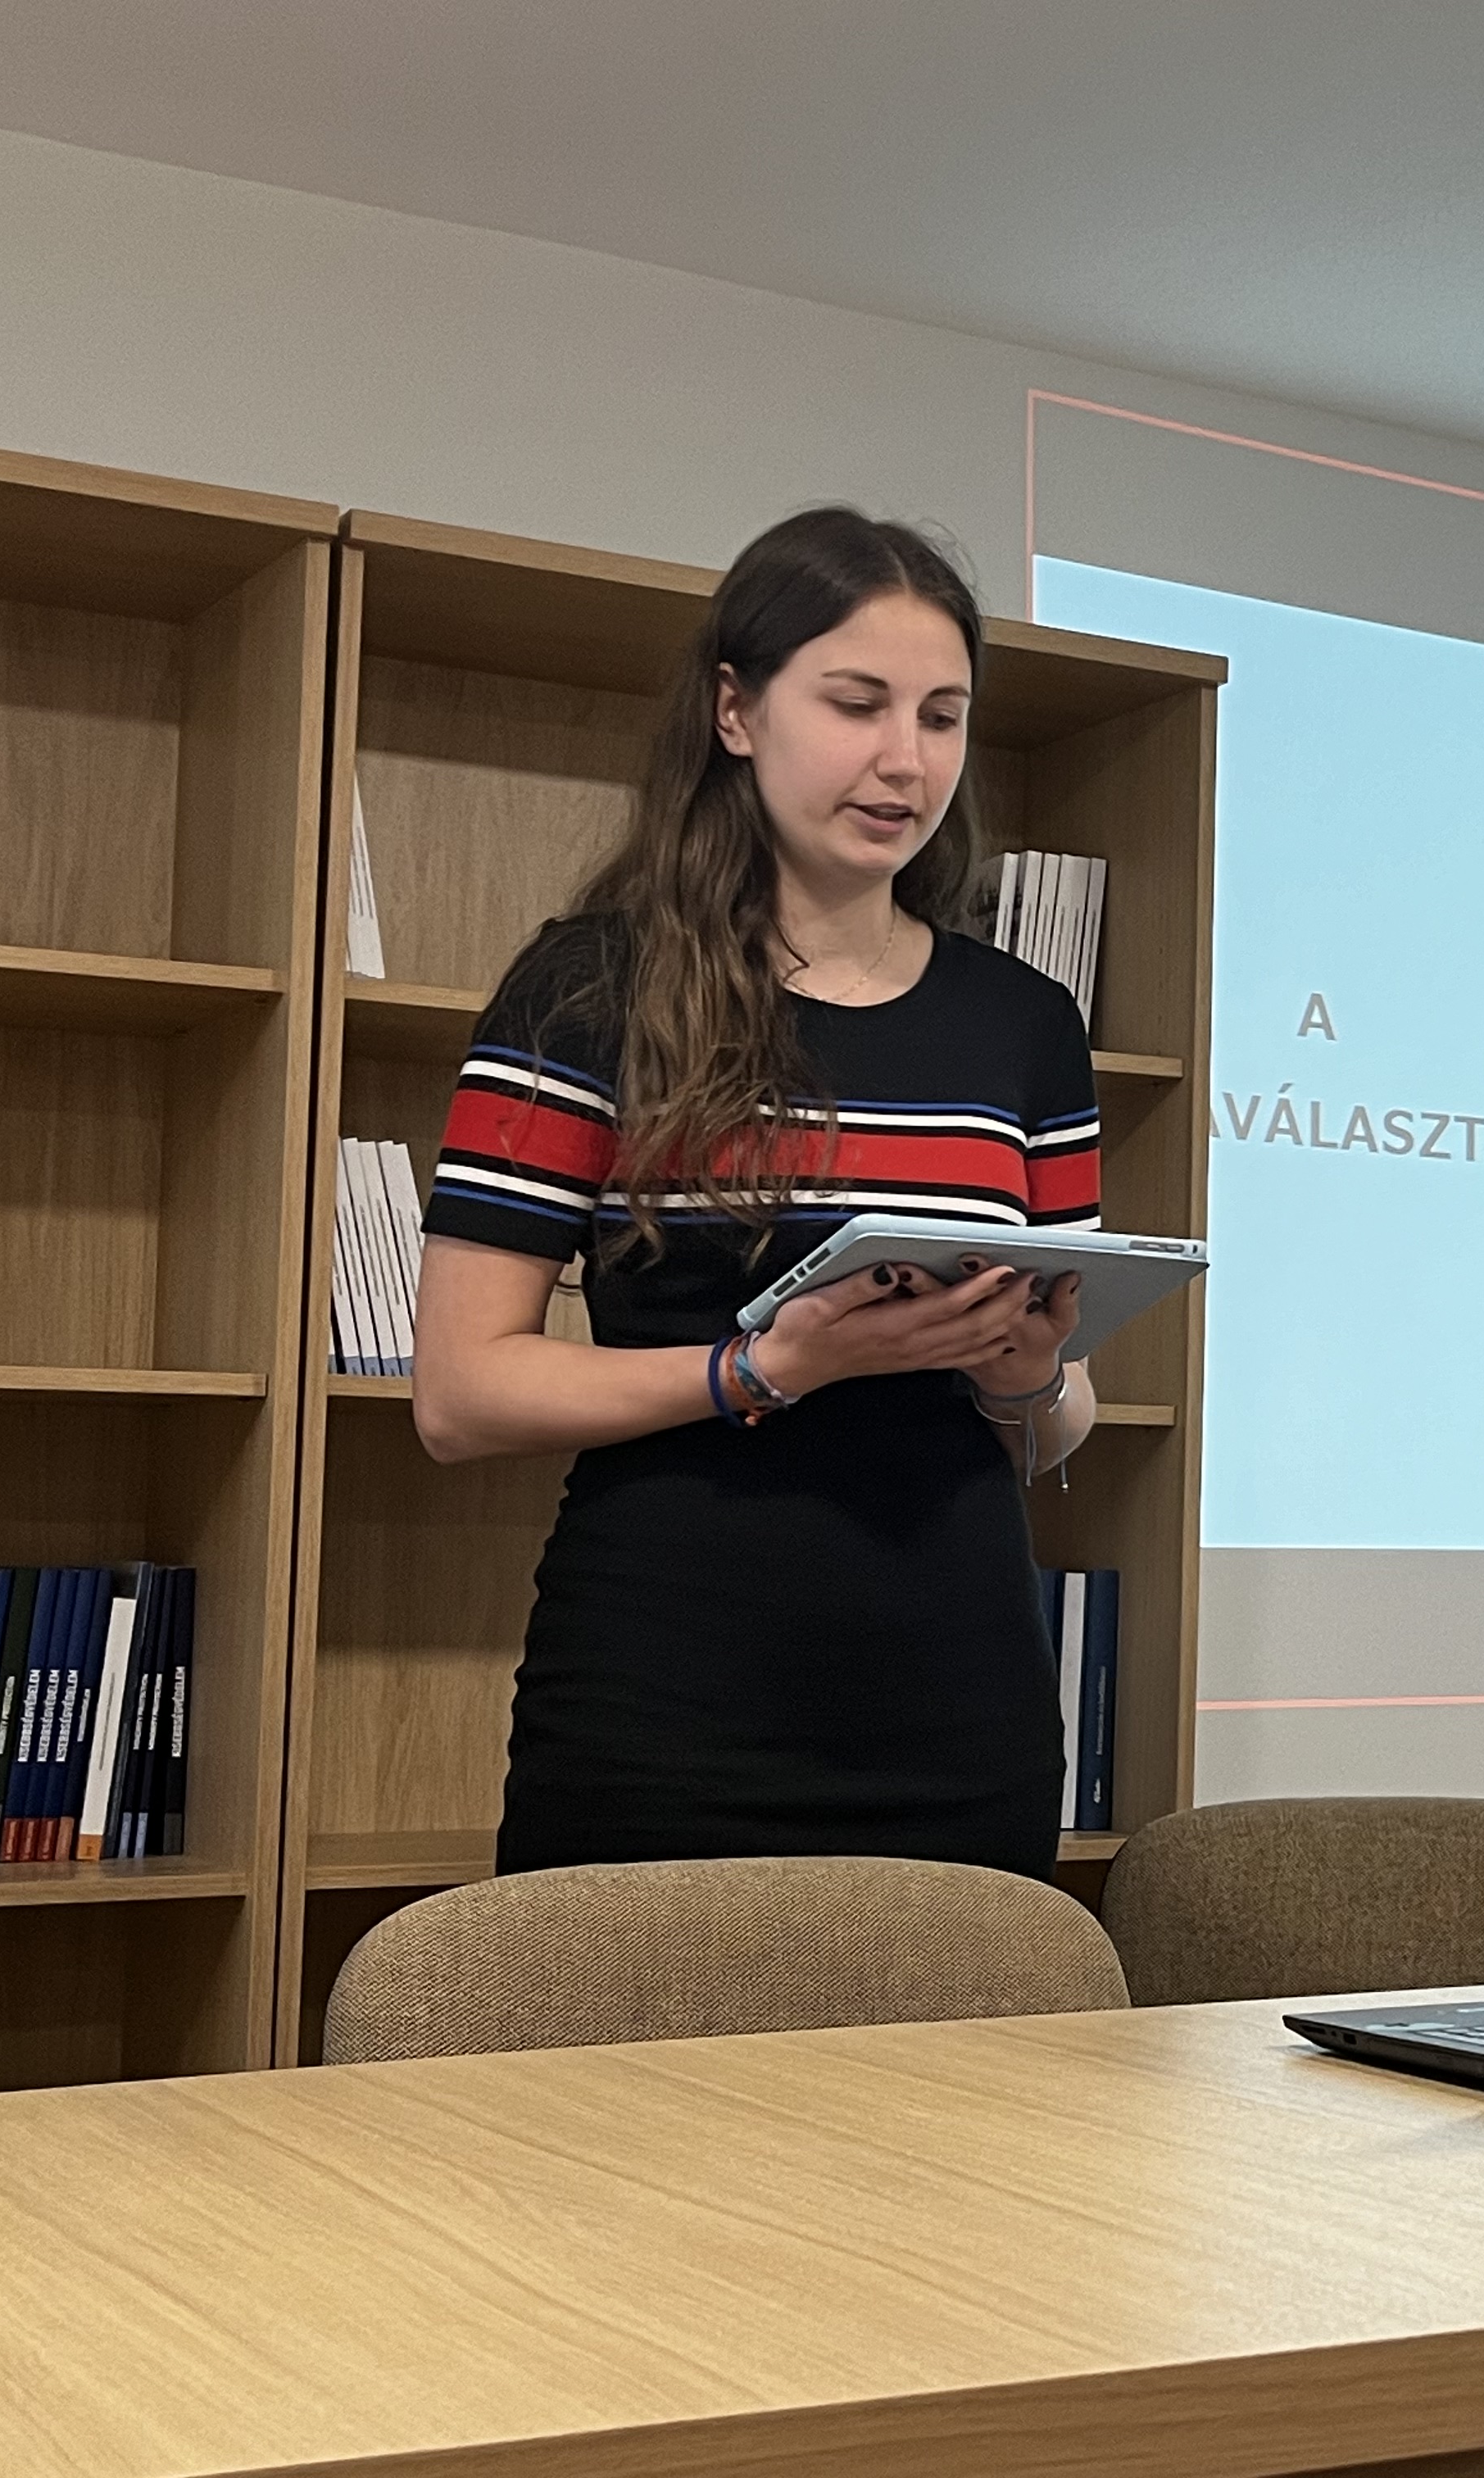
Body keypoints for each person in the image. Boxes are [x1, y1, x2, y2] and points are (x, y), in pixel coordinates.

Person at [408, 507, 1099, 1881]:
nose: (906, 759)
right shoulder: (585, 988)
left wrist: (1025, 1371)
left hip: (963, 1710)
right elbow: (461, 1395)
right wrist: (766, 1368)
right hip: (667, 1706)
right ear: (736, 710)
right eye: (857, 703)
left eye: (943, 716)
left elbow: (1056, 1424)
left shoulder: (1027, 1023)